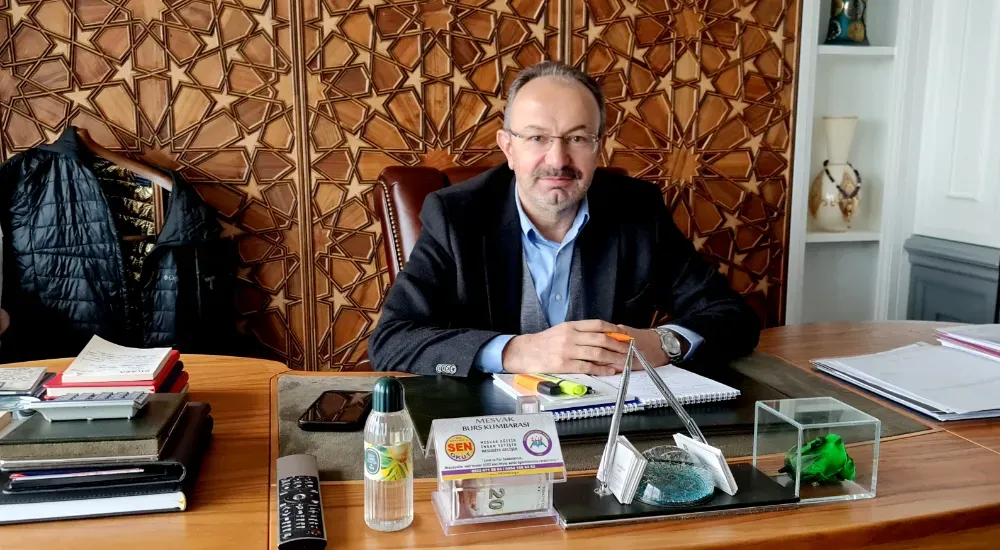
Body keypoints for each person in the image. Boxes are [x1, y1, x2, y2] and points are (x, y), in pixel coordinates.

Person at [369, 61, 760, 377]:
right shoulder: (456, 215)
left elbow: (733, 316)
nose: (558, 160)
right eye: (537, 137)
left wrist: (663, 343)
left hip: (611, 423)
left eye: (577, 138)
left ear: (598, 147)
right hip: (489, 427)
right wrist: (516, 351)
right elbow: (392, 340)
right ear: (508, 147)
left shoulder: (637, 209)